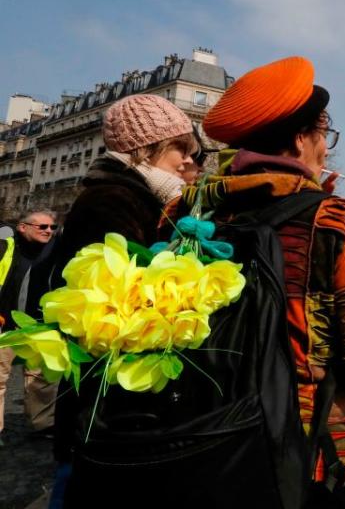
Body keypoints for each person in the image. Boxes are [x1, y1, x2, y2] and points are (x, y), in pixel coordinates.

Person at [189, 55, 345, 508]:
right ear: (299, 138)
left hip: (207, 430)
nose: (325, 149)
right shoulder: (336, 219)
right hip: (309, 447)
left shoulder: (193, 212)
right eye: (322, 135)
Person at [51, 94, 200, 505]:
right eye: (180, 148)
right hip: (102, 401)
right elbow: (120, 301)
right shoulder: (112, 201)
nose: (187, 160)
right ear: (143, 148)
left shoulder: (133, 196)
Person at [0, 209, 59, 444]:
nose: (48, 231)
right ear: (22, 227)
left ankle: (42, 424)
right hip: (6, 324)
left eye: (52, 227)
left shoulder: (55, 250)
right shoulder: (5, 246)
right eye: (42, 227)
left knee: (42, 378)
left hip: (39, 326)